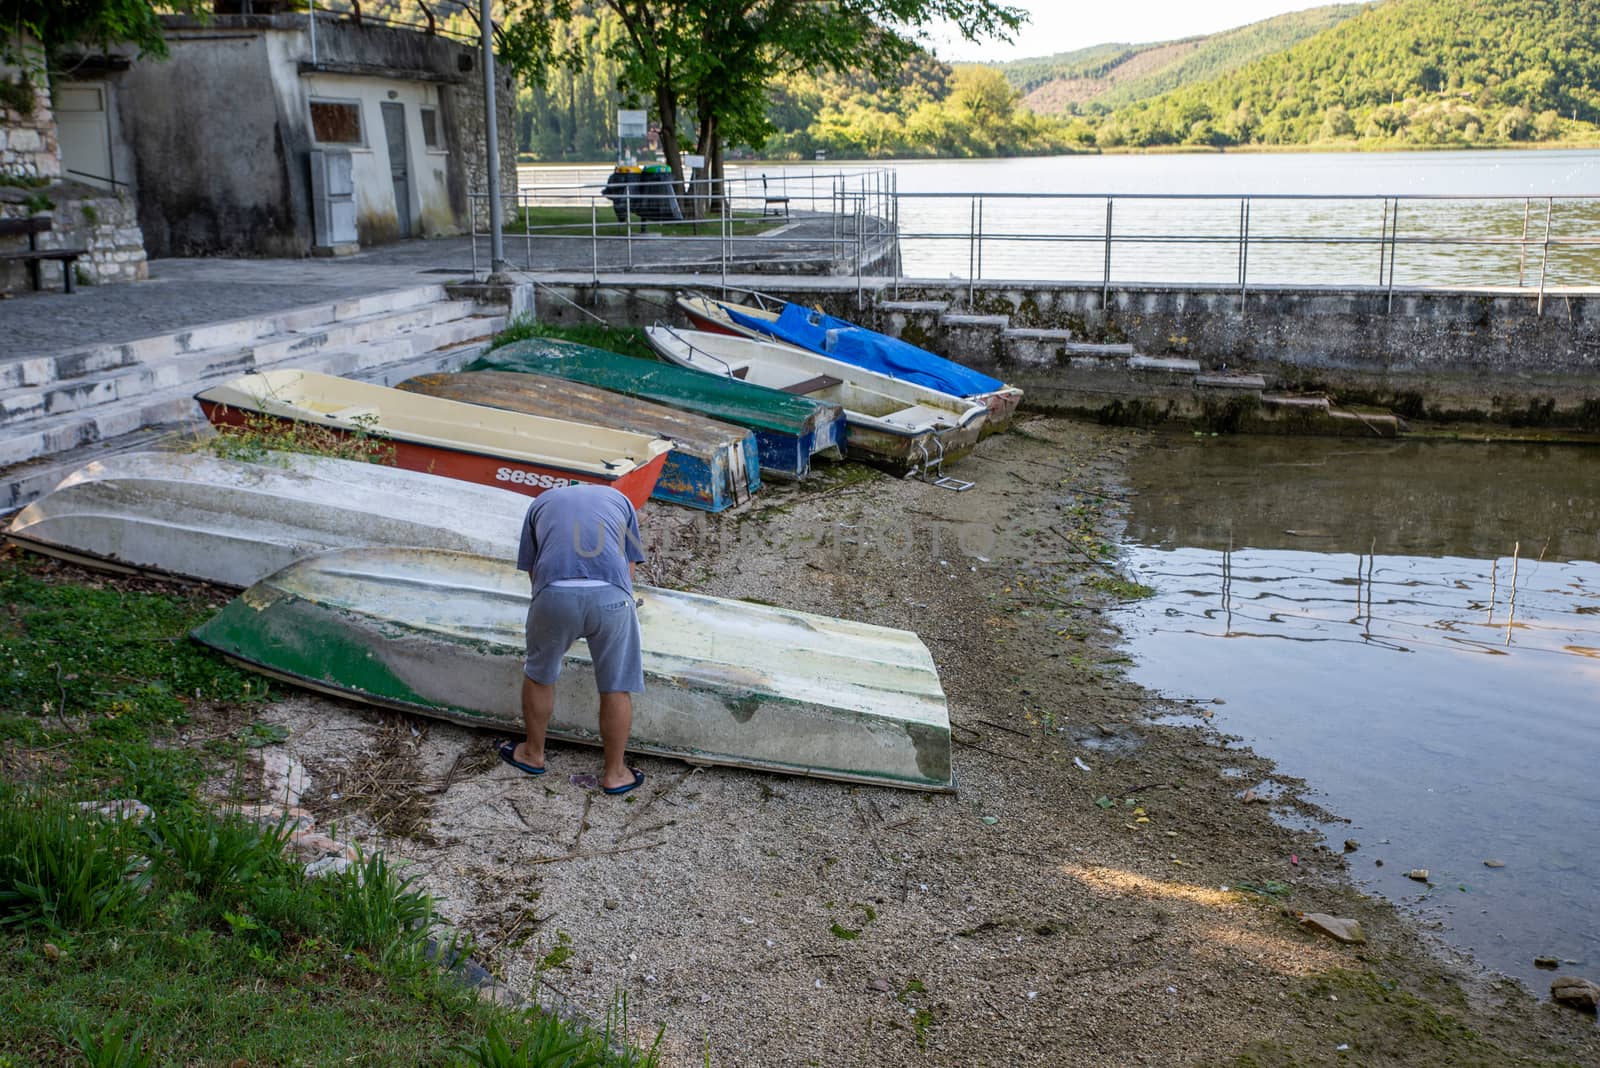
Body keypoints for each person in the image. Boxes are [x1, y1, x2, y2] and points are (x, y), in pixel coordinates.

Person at [499, 483, 648, 795]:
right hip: (612, 599)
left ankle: (533, 753)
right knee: (616, 685)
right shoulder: (622, 500)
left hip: (555, 595)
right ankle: (616, 773)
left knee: (540, 675)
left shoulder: (540, 503)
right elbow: (628, 567)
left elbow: (534, 571)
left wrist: (556, 610)